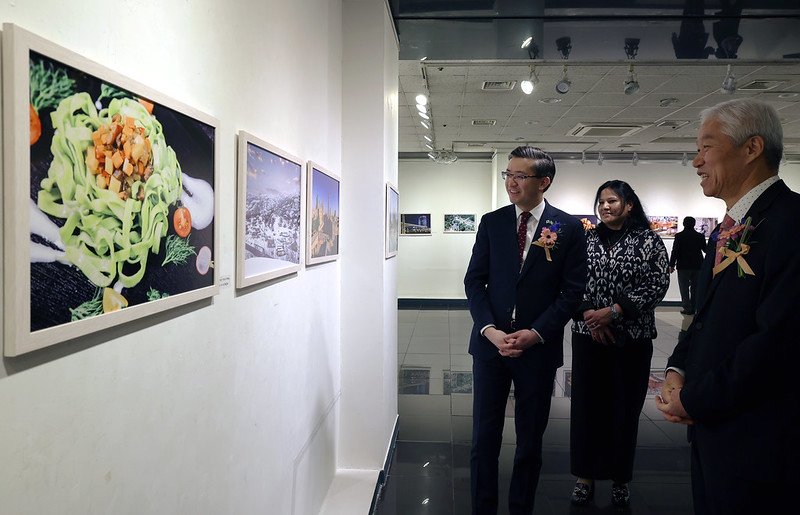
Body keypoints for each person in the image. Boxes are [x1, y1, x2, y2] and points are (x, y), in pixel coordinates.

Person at [657, 98, 800, 514]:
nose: (696, 161)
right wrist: (676, 371)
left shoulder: (789, 223)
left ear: (752, 148)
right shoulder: (733, 226)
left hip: (760, 444)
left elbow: (776, 342)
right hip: (717, 433)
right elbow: (703, 318)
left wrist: (696, 399)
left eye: (706, 147)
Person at [464, 146, 587, 514]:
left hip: (537, 350)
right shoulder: (493, 222)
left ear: (543, 182)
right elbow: (475, 282)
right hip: (491, 348)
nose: (511, 182)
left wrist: (536, 333)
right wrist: (488, 329)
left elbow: (572, 291)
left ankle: (521, 507)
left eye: (520, 176)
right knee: (483, 439)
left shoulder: (566, 227)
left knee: (530, 441)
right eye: (508, 174)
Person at [569, 180, 669, 507]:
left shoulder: (649, 241)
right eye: (601, 202)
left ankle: (620, 478)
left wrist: (614, 312)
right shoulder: (585, 240)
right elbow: (570, 282)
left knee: (623, 411)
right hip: (588, 339)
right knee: (586, 409)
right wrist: (589, 316)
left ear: (629, 205)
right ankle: (584, 477)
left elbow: (657, 282)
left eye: (612, 201)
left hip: (632, 340)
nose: (605, 207)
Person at [669, 216, 707, 314]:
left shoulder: (679, 236)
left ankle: (687, 308)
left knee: (684, 288)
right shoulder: (700, 236)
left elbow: (675, 251)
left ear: (683, 224)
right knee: (695, 287)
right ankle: (694, 307)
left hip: (683, 265)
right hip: (698, 265)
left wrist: (671, 264)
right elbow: (705, 250)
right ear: (694, 224)